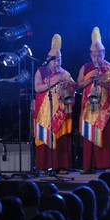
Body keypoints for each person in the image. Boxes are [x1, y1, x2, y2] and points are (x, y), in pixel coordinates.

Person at [77, 27, 110, 174]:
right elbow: (78, 85)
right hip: (90, 107)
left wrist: (103, 83)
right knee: (90, 138)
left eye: (99, 55)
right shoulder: (85, 67)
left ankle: (107, 164)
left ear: (104, 54)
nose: (97, 58)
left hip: (106, 108)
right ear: (90, 55)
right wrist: (90, 80)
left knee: (107, 138)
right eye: (94, 55)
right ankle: (88, 166)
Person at [34, 34, 76, 174]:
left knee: (61, 138)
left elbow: (71, 93)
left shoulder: (65, 74)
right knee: (44, 136)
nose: (57, 63)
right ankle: (44, 166)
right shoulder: (41, 71)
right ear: (48, 60)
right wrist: (53, 81)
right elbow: (37, 88)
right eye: (54, 60)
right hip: (44, 112)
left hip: (60, 111)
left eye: (59, 60)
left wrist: (64, 86)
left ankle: (61, 166)